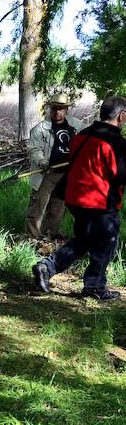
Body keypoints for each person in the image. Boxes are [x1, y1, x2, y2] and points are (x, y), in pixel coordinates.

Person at [32, 96, 126, 301]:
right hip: (99, 202)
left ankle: (46, 267)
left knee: (84, 240)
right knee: (107, 242)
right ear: (121, 116)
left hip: (75, 200)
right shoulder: (116, 142)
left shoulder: (81, 135)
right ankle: (95, 286)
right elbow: (121, 175)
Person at [25, 93, 86, 239]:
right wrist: (42, 161)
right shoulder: (40, 129)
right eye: (55, 108)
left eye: (61, 109)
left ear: (66, 110)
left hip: (67, 174)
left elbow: (89, 136)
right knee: (38, 205)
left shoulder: (76, 125)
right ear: (50, 109)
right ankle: (32, 237)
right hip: (47, 172)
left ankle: (48, 236)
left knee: (58, 207)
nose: (57, 112)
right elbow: (34, 149)